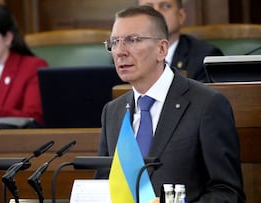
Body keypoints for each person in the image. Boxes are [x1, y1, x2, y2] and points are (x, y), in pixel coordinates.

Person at [95, 5, 245, 202]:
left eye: (132, 40)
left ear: (162, 49)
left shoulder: (207, 105)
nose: (120, 52)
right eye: (114, 42)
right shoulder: (112, 111)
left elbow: (228, 193)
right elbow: (103, 186)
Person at [137, 0, 223, 81]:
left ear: (181, 15)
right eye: (148, 8)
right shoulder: (126, 55)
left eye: (165, 6)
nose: (156, 13)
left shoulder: (205, 57)